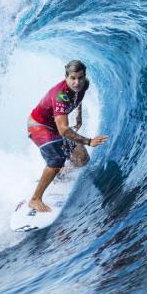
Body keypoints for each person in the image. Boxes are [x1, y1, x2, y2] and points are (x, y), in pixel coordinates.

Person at [27, 60, 109, 212]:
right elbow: (64, 130)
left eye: (80, 78)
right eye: (73, 78)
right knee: (57, 159)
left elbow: (78, 97)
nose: (77, 82)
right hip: (38, 126)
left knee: (82, 158)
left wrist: (78, 116)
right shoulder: (61, 96)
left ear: (84, 77)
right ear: (66, 77)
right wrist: (89, 141)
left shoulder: (84, 85)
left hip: (54, 127)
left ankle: (60, 174)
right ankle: (35, 199)